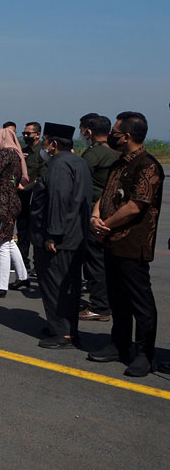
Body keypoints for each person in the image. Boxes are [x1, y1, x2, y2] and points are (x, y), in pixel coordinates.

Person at [89, 112, 164, 377]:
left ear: (128, 136)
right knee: (117, 298)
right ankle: (118, 344)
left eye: (117, 132)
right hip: (111, 241)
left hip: (133, 243)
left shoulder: (147, 166)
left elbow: (135, 206)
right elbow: (106, 193)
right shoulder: (118, 163)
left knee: (140, 301)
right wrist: (96, 215)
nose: (113, 135)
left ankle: (145, 353)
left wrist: (106, 222)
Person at [30, 123, 92, 349]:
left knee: (54, 285)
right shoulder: (79, 162)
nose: (43, 146)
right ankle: (67, 328)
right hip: (76, 234)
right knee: (70, 285)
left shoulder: (58, 165)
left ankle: (62, 334)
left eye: (44, 141)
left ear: (54, 144)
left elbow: (58, 200)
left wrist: (52, 236)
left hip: (59, 237)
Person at [77, 114, 118, 322]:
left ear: (89, 131)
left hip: (94, 212)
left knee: (94, 261)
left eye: (82, 130)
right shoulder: (114, 151)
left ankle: (99, 305)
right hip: (109, 211)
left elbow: (79, 176)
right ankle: (105, 301)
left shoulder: (94, 154)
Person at [0, 126, 30, 297]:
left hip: (3, 203)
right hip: (10, 201)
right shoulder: (16, 154)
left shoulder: (5, 154)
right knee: (8, 241)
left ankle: (0, 285)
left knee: (0, 243)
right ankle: (22, 276)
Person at [16, 121, 47, 277]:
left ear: (37, 135)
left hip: (36, 197)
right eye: (24, 134)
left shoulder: (42, 153)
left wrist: (26, 188)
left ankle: (38, 265)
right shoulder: (23, 151)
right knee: (22, 233)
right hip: (22, 198)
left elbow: (42, 177)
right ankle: (23, 264)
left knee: (36, 234)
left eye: (29, 134)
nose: (26, 136)